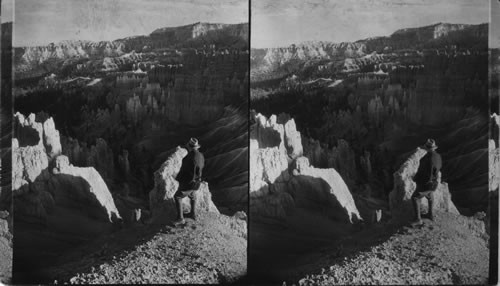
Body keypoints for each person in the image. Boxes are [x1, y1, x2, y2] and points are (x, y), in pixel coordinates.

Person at [173, 138, 205, 226]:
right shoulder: (201, 155)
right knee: (193, 195)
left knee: (177, 197)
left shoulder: (189, 157)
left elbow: (185, 171)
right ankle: (193, 214)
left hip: (190, 182)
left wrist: (177, 178)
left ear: (189, 147)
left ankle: (180, 219)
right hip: (198, 181)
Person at [411, 139, 442, 225]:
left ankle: (418, 219)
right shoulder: (438, 156)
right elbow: (436, 170)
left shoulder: (427, 159)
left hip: (426, 183)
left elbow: (424, 173)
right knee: (430, 195)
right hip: (434, 183)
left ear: (427, 148)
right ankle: (431, 215)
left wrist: (415, 178)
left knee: (415, 198)